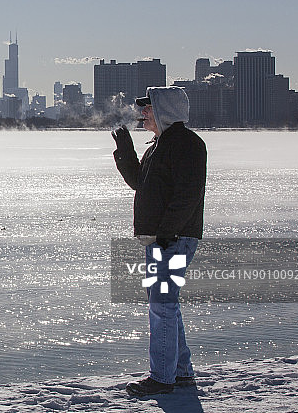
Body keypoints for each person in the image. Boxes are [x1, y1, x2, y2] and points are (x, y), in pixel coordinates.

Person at [111, 86, 207, 397]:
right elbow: (139, 183)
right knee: (166, 304)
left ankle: (162, 379)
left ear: (166, 110)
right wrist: (125, 150)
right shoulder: (159, 146)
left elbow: (188, 194)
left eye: (149, 108)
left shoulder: (187, 145)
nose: (143, 114)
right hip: (163, 238)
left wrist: (168, 232)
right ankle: (180, 372)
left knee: (162, 305)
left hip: (174, 238)